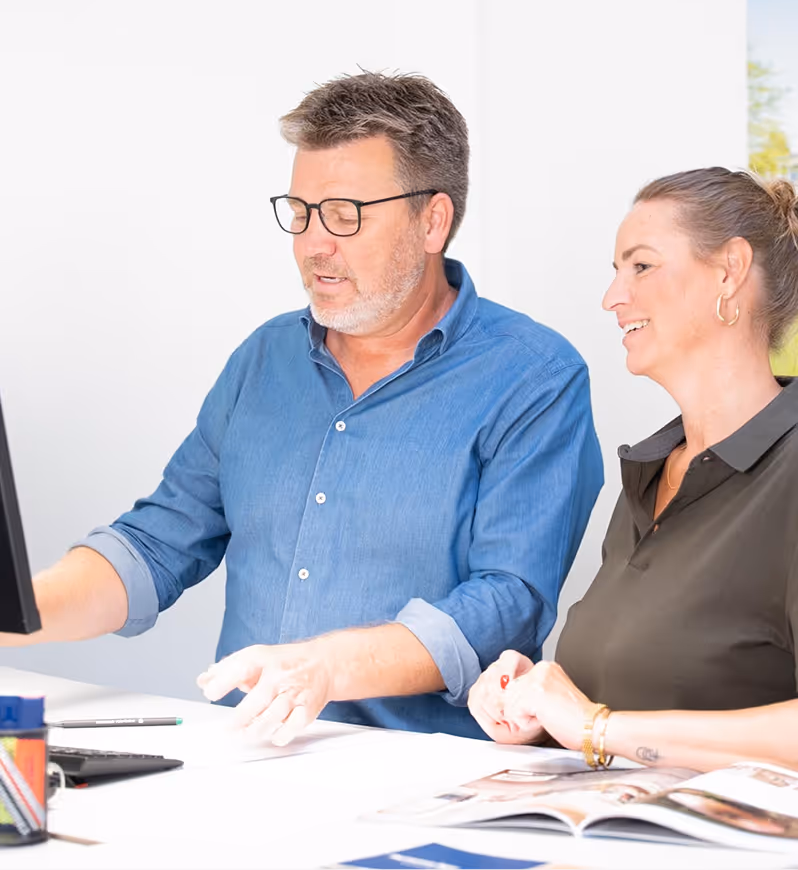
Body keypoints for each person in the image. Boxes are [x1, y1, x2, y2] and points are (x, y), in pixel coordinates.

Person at [1, 71, 603, 742]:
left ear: (433, 220)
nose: (314, 243)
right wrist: (16, 608)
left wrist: (327, 666)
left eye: (345, 214)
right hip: (248, 759)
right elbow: (156, 544)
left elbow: (506, 602)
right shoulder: (264, 361)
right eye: (301, 211)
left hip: (427, 780)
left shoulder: (535, 378)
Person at [468, 167, 798, 770]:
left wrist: (595, 725)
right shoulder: (650, 473)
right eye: (616, 271)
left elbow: (609, 727)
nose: (612, 297)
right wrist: (541, 703)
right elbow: (635, 695)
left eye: (640, 266)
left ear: (729, 272)